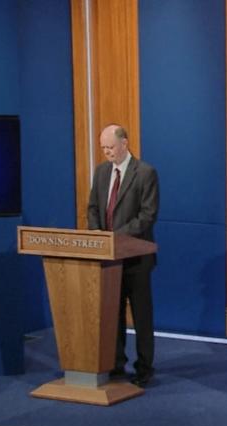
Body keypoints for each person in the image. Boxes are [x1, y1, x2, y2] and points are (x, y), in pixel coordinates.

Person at [87, 124, 160, 388]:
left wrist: (115, 238)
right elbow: (93, 207)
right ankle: (116, 363)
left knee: (141, 315)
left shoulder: (146, 173)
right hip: (108, 258)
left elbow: (147, 216)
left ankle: (144, 368)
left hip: (137, 258)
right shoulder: (101, 172)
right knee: (112, 313)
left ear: (125, 144)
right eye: (103, 148)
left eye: (111, 148)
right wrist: (98, 236)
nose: (107, 153)